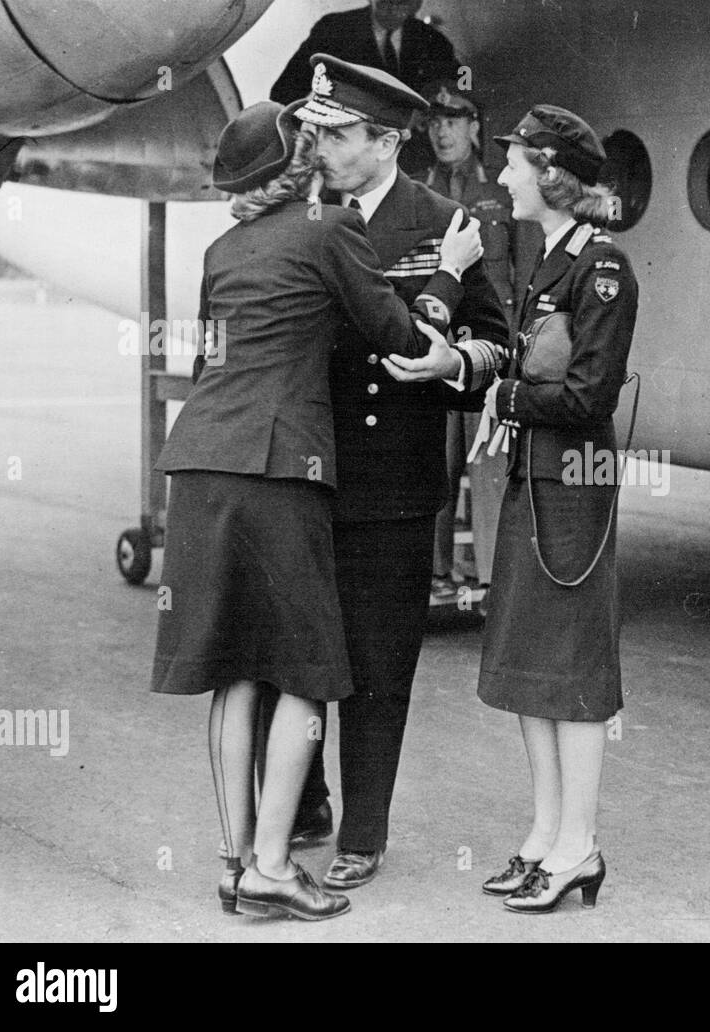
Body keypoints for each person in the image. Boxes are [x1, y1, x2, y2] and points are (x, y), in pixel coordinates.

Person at [150, 99, 472, 920]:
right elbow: (398, 336)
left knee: (238, 669)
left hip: (199, 463)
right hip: (279, 467)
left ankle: (235, 860)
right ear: (298, 162)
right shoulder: (328, 232)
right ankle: (270, 871)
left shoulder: (224, 250)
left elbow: (208, 354)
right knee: (305, 669)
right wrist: (449, 275)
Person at [287, 54, 509, 892]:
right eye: (315, 132)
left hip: (391, 481)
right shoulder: (305, 214)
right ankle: (301, 800)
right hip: (305, 473)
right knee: (298, 650)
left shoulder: (442, 220)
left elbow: (499, 345)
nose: (322, 148)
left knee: (379, 663)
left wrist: (452, 360)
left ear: (386, 142)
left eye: (338, 135)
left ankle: (364, 829)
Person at [473, 105, 638, 913]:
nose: (502, 176)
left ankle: (581, 847)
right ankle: (545, 836)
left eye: (512, 163)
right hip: (536, 479)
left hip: (572, 485)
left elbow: (585, 394)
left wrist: (503, 392)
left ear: (550, 172)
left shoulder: (602, 269)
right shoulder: (551, 260)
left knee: (571, 671)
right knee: (532, 665)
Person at [419, 80, 542, 602]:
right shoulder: (418, 191)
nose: (442, 131)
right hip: (438, 349)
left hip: (490, 352)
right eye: (434, 121)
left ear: (475, 126)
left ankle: (492, 584)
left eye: (453, 120)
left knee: (488, 464)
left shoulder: (500, 196)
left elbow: (526, 274)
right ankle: (435, 576)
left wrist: (518, 353)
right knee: (433, 465)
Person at [270, 1, 458, 174]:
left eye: (402, 4)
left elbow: (463, 87)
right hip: (348, 157)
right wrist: (309, 138)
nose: (393, 11)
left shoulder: (432, 40)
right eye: (386, 3)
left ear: (415, 5)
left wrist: (428, 112)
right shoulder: (334, 29)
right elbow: (283, 92)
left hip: (413, 161)